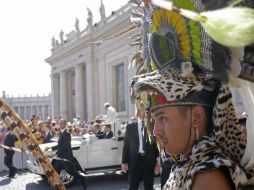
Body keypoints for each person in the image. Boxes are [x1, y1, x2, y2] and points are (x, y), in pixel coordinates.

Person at [129, 0, 254, 189]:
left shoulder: (207, 176)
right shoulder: (191, 166)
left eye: (162, 118)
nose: (155, 131)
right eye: (155, 119)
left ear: (196, 116)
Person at [122, 105, 159, 190]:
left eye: (146, 108)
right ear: (138, 111)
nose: (145, 110)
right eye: (142, 108)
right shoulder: (130, 126)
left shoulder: (152, 125)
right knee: (133, 187)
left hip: (149, 161)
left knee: (149, 187)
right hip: (135, 162)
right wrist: (124, 162)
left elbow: (156, 144)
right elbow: (126, 145)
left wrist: (158, 161)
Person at [51, 119, 87, 189]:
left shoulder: (67, 133)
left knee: (70, 171)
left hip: (66, 156)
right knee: (56, 169)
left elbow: (66, 146)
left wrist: (57, 152)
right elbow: (60, 144)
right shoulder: (62, 133)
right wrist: (51, 148)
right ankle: (57, 185)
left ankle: (83, 179)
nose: (60, 125)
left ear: (65, 124)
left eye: (62, 123)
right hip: (61, 156)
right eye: (60, 123)